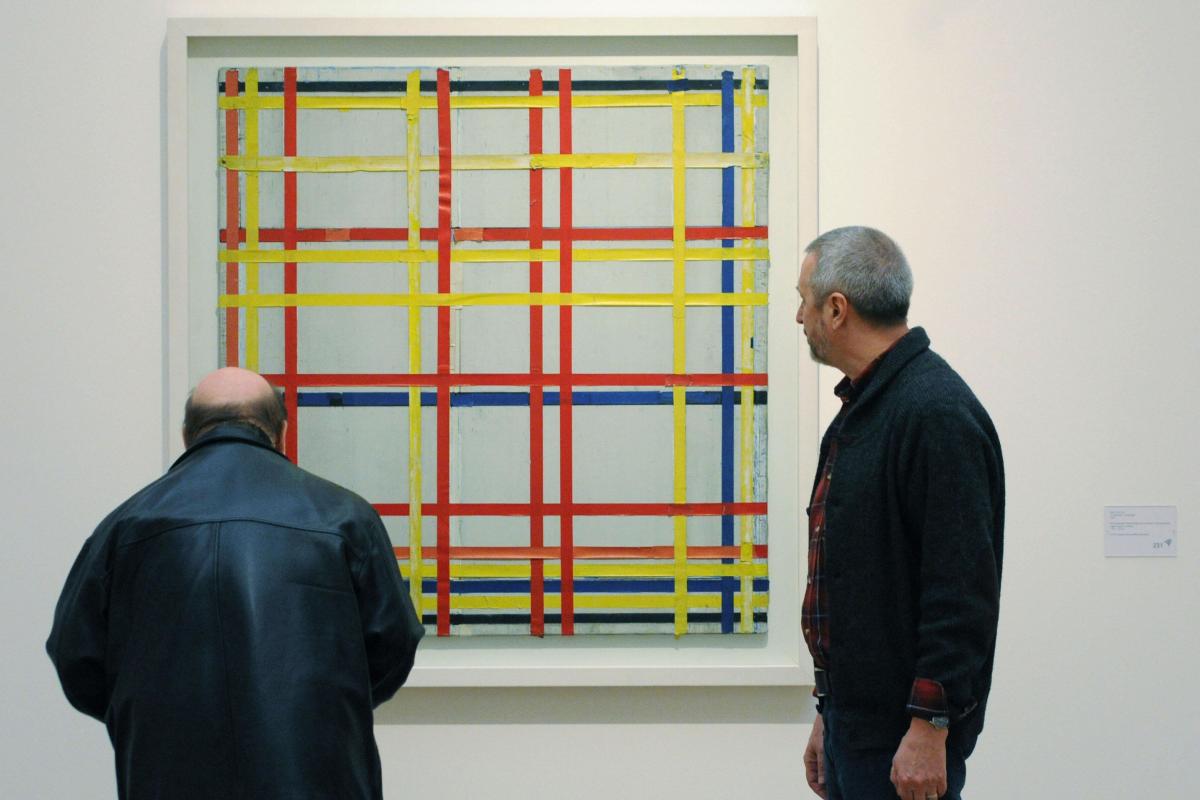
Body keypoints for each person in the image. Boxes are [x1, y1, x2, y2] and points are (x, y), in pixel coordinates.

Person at [47, 367, 424, 800]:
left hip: (168, 777)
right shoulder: (344, 517)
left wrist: (153, 717)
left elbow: (75, 656)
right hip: (316, 776)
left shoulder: (126, 525)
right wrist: (324, 709)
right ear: (281, 432)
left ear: (188, 435)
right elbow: (394, 645)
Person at [795, 228, 1003, 800]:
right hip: (858, 727)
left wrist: (929, 727)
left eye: (804, 300)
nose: (799, 317)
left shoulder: (935, 413)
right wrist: (829, 711)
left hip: (902, 740)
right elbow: (853, 581)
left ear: (837, 309)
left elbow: (960, 592)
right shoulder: (866, 408)